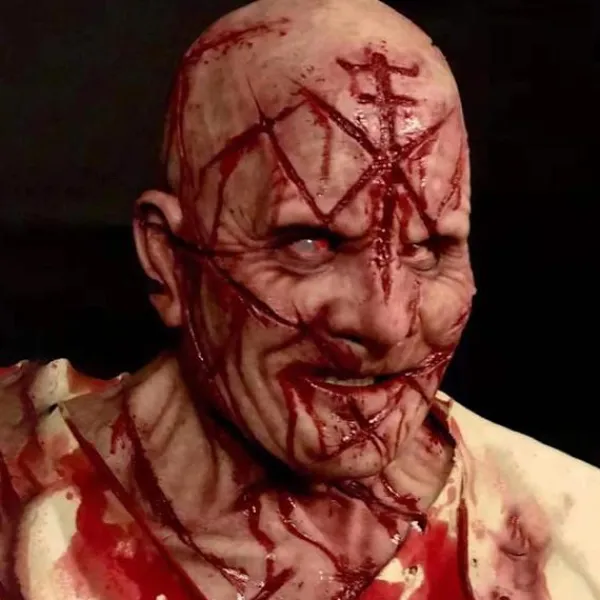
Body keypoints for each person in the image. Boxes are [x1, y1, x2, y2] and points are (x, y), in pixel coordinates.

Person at [1, 0, 598, 598]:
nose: (387, 323)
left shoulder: (568, 534)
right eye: (310, 243)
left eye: (428, 248)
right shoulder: (18, 489)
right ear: (167, 257)